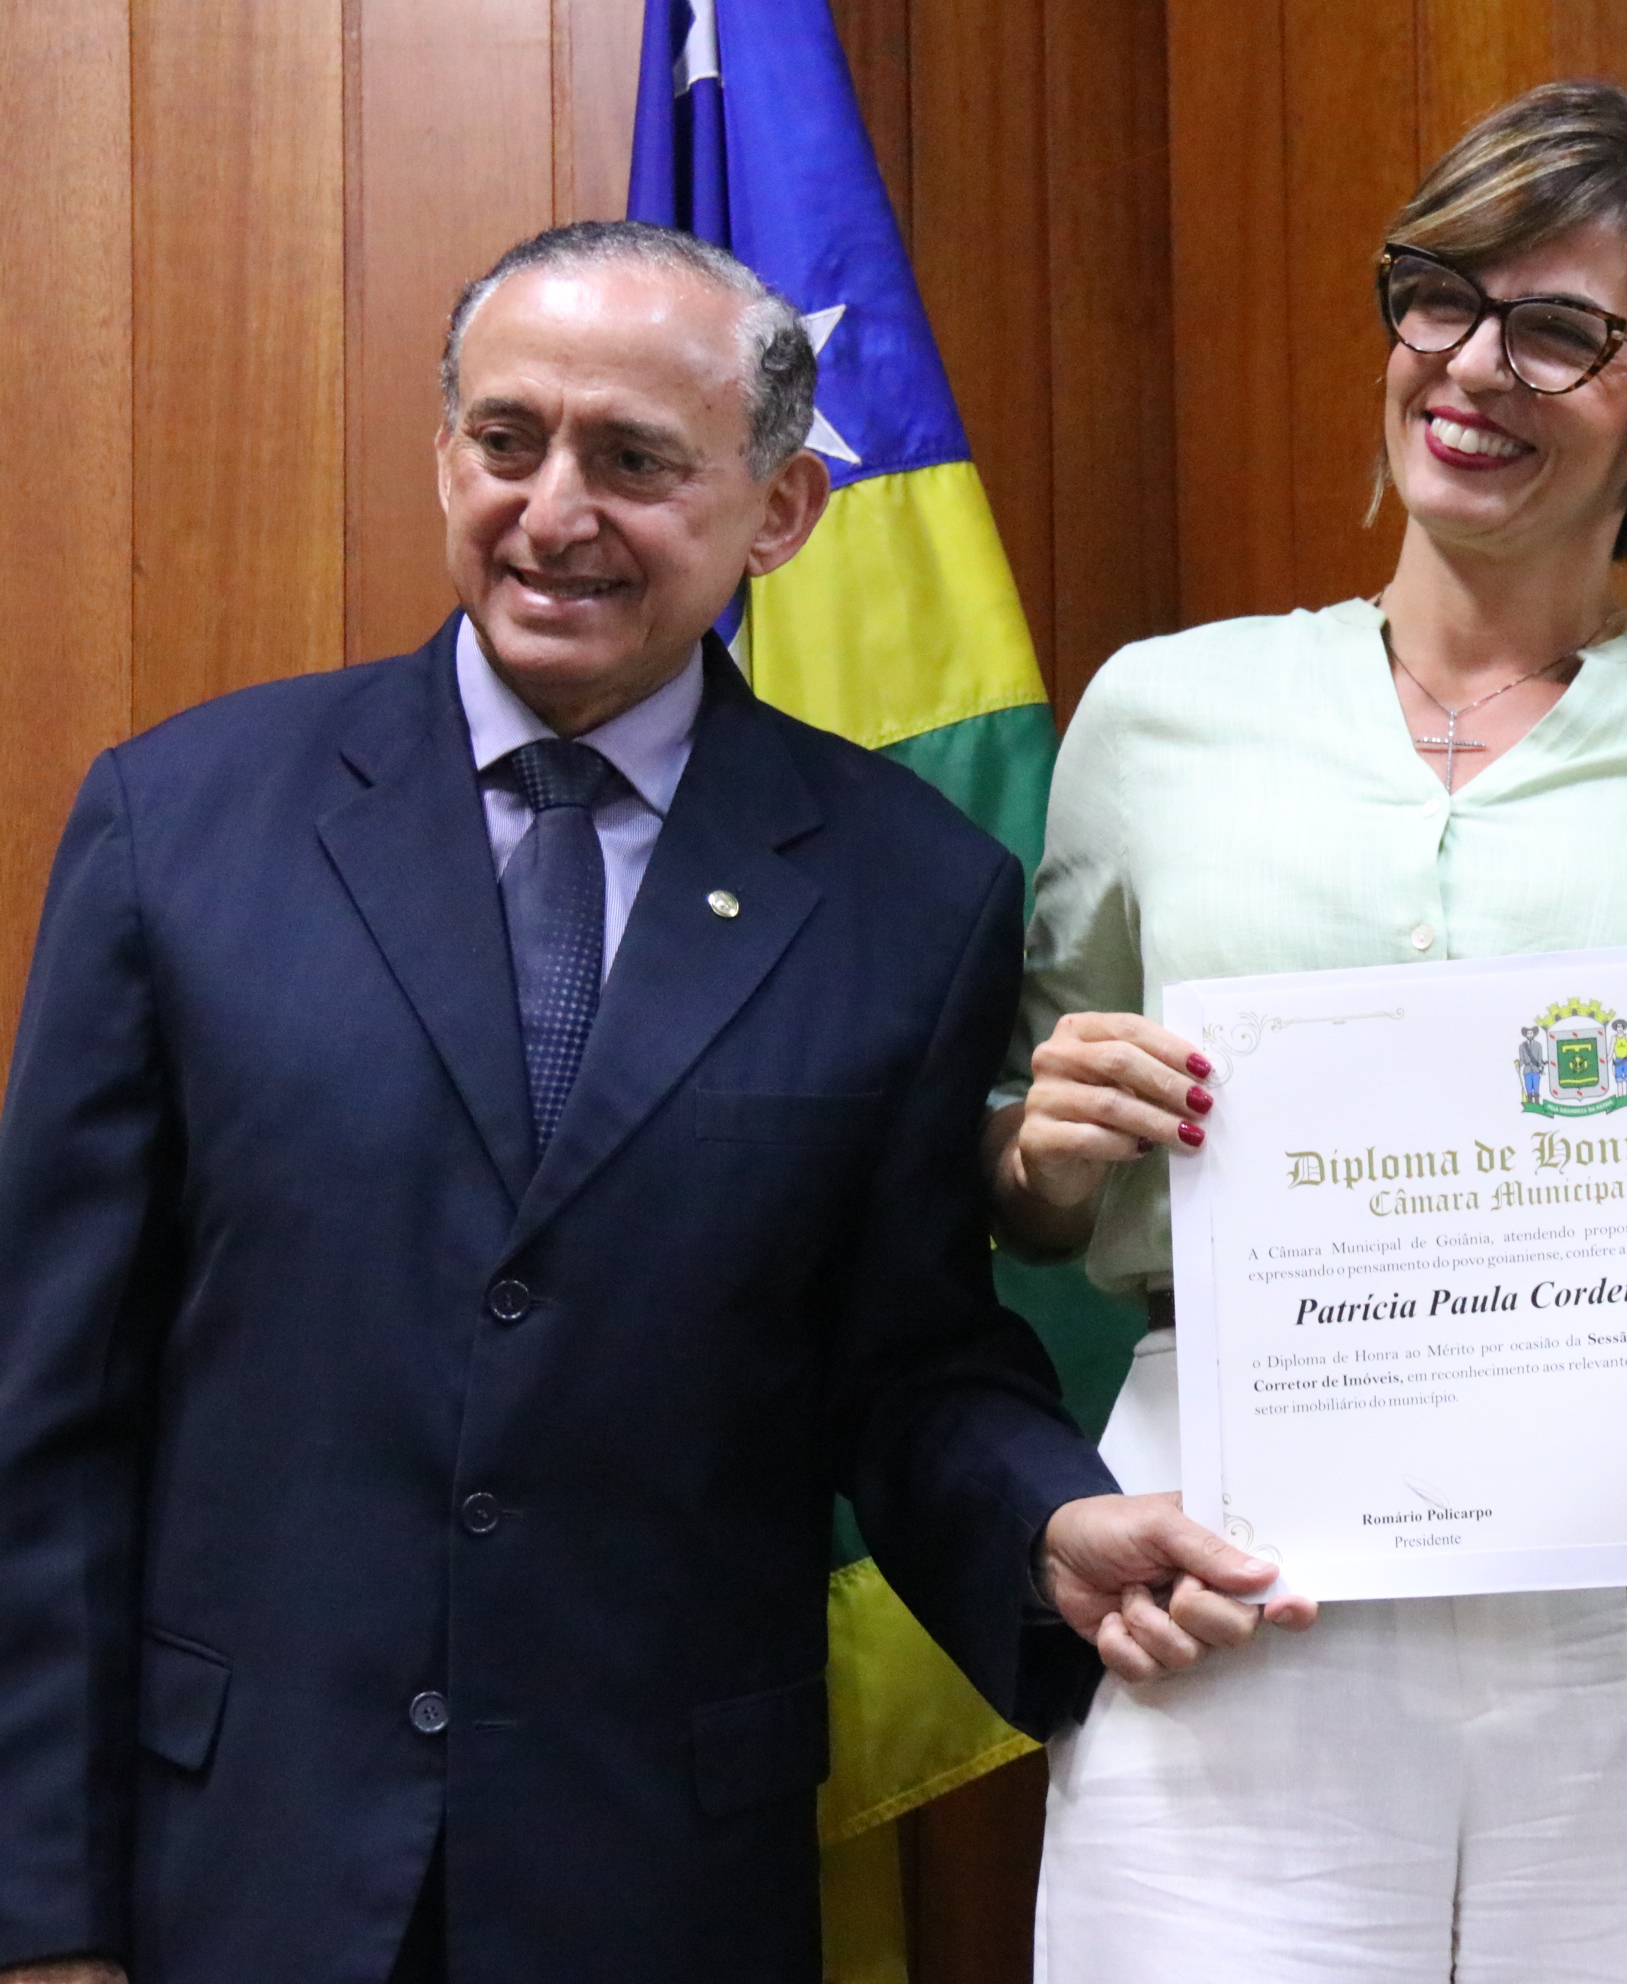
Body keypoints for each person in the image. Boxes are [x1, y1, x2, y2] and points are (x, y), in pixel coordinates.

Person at [0, 221, 1268, 1984]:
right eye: (507, 441)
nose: (554, 511)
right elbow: (49, 1405)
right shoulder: (182, 824)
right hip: (240, 1862)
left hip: (659, 1875)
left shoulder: (909, 892)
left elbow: (901, 1359)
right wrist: (42, 1914)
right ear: (445, 455)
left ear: (781, 511)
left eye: (635, 461)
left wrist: (1045, 1524)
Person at [990, 81, 1627, 1984]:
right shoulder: (1160, 713)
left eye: (1561, 330)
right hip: (1234, 1569)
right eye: (1440, 297)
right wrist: (1046, 1146)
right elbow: (1028, 1181)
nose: (1473, 367)